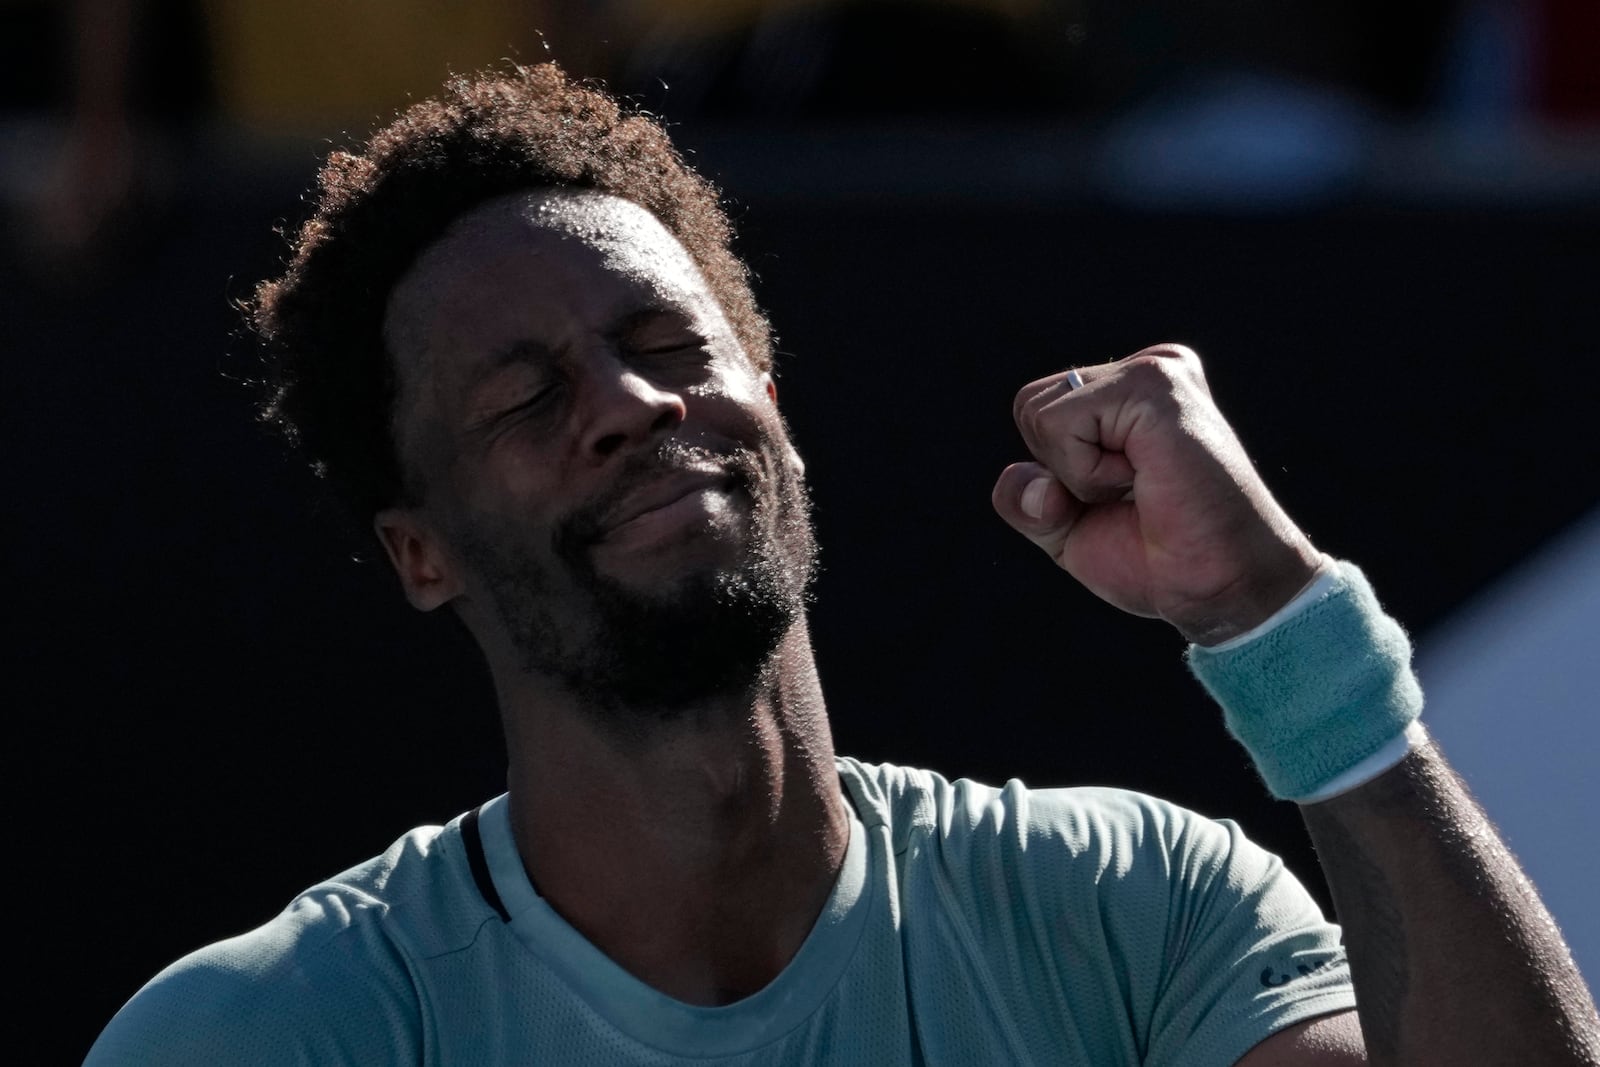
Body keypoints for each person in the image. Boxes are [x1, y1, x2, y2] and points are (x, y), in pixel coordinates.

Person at [86, 63, 1598, 1065]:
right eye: (527, 398)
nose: (628, 404)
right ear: (418, 554)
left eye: (670, 344)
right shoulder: (267, 1033)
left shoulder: (1137, 909)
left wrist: (1278, 624)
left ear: (780, 418)